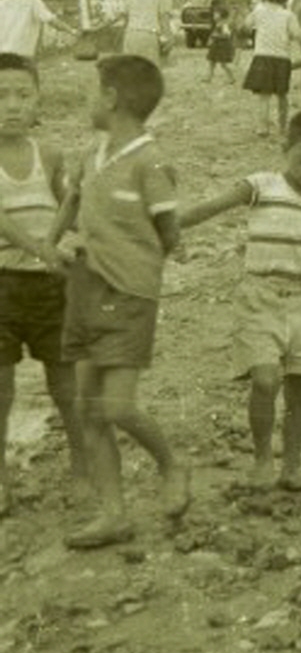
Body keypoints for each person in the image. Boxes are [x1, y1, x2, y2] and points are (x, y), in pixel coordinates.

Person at [180, 111, 301, 491]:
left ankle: (292, 467)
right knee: (265, 380)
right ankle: (263, 458)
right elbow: (211, 207)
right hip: (259, 297)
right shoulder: (262, 185)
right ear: (285, 149)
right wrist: (166, 224)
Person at [52, 55, 185, 549]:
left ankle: (171, 463)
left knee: (118, 406)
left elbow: (169, 230)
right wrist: (52, 244)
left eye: (93, 92)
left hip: (129, 294)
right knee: (90, 408)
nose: (89, 100)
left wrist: (158, 250)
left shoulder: (151, 162)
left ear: (110, 98)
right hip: (85, 289)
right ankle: (114, 514)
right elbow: (73, 202)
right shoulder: (93, 153)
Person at [0, 55, 79, 515]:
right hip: (3, 284)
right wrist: (41, 248)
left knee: (67, 384)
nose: (12, 105)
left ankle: (85, 473)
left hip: (50, 285)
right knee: (1, 389)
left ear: (38, 102)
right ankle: (3, 482)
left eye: (23, 95)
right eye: (2, 95)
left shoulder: (48, 154)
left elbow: (69, 203)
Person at [243, 0, 301, 137]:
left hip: (262, 55)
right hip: (282, 57)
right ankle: (282, 127)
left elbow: (246, 25)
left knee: (264, 95)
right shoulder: (288, 15)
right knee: (282, 95)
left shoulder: (259, 10)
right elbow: (297, 35)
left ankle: (263, 127)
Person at [0, 0, 78, 60]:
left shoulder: (4, 1)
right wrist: (72, 30)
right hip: (22, 54)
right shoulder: (33, 1)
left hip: (2, 53)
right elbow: (52, 20)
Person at [205, 0, 237, 82]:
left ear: (221, 15)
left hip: (221, 45)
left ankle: (231, 78)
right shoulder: (219, 23)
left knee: (223, 64)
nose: (214, 16)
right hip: (217, 44)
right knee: (211, 62)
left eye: (216, 14)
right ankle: (209, 77)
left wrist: (215, 35)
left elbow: (227, 34)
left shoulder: (223, 24)